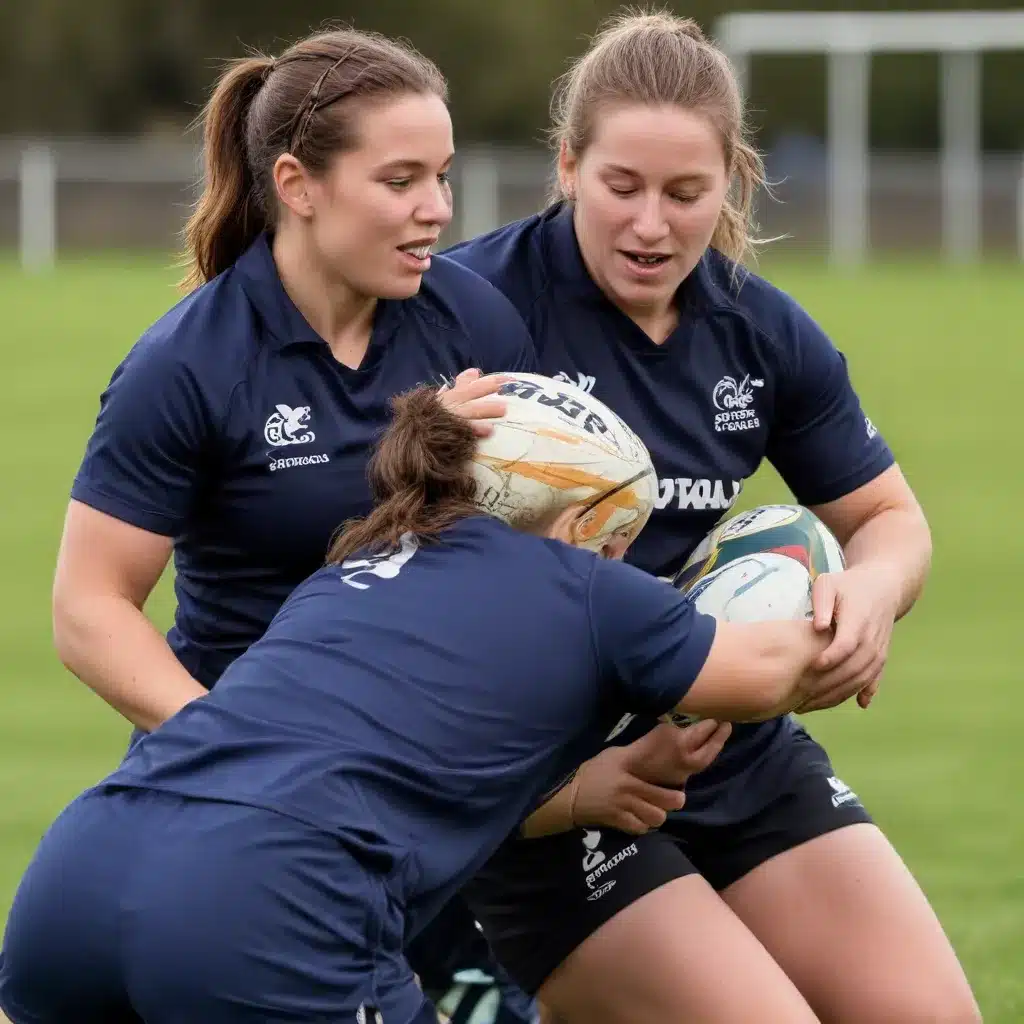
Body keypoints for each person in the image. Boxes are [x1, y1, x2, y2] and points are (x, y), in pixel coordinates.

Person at [0, 377, 844, 1024]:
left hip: (81, 874)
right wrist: (844, 591)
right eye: (620, 540)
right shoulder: (583, 588)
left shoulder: (348, 570)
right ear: (585, 523)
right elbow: (773, 671)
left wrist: (584, 792)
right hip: (270, 907)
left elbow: (390, 767)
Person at [444, 11, 980, 1024]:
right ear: (565, 166)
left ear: (731, 180)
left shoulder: (757, 331)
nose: (651, 225)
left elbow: (890, 519)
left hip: (721, 740)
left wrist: (867, 595)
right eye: (621, 187)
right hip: (550, 779)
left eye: (685, 193)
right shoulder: (470, 307)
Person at [47, 25, 542, 1024]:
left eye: (441, 177)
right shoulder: (185, 366)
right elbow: (88, 608)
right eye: (400, 179)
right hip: (245, 810)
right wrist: (233, 749)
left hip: (425, 789)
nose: (436, 210)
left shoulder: (475, 326)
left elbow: (527, 564)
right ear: (298, 183)